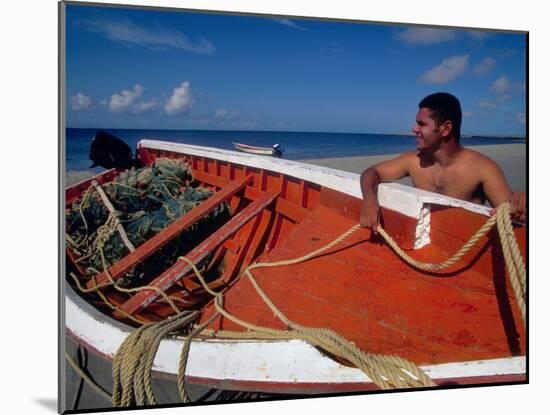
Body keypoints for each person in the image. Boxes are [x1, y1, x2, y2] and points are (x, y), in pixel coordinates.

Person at [360, 92, 526, 233]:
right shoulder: (413, 161)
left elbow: (511, 212)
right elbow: (371, 173)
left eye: (421, 124)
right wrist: (369, 200)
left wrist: (521, 205)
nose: (414, 129)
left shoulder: (483, 168)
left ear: (446, 129)